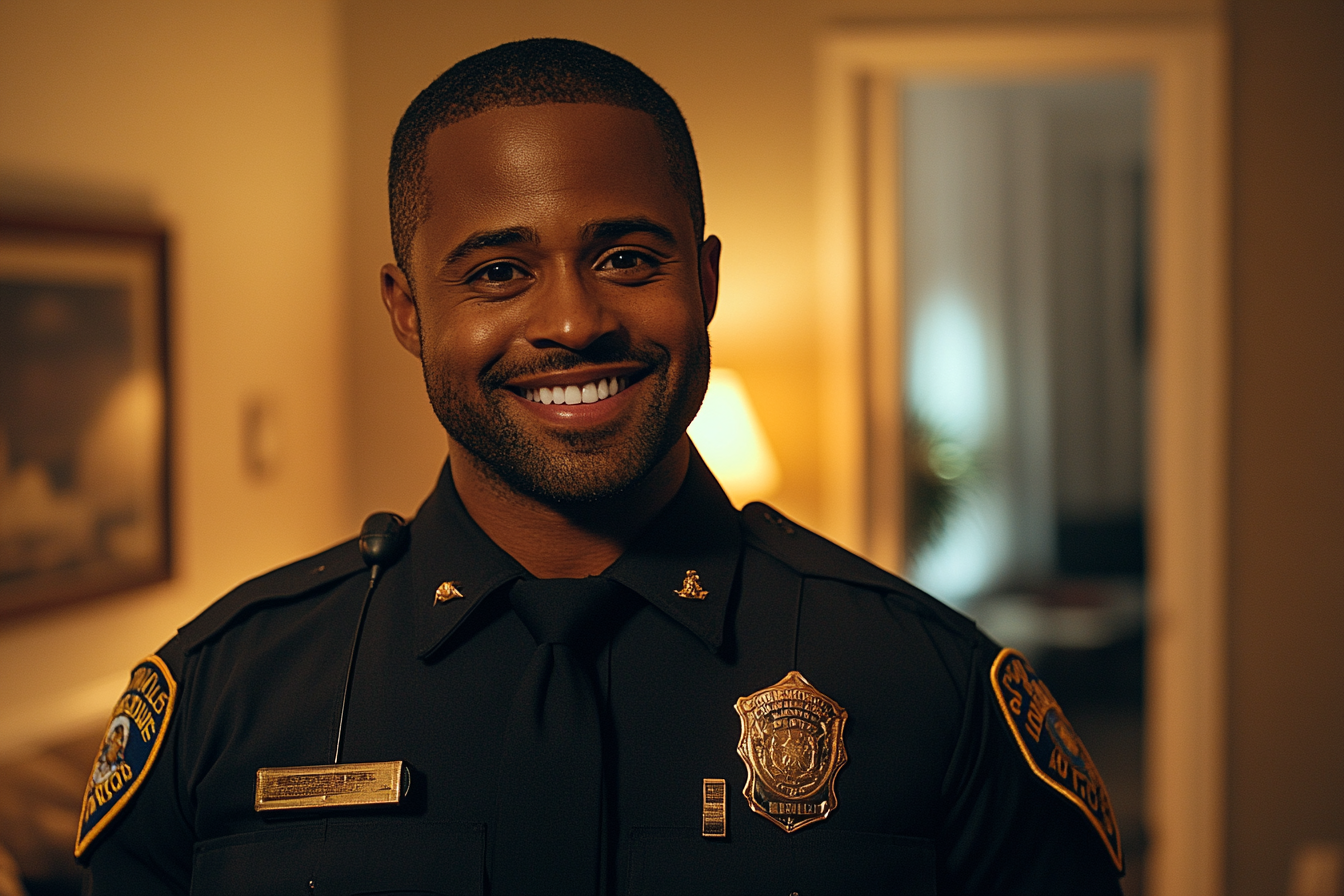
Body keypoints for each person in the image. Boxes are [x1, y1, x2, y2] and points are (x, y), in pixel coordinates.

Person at [75, 38, 1124, 895]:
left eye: (628, 258)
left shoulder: (934, 687)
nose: (574, 320)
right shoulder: (223, 697)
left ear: (705, 278)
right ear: (407, 309)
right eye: (498, 271)